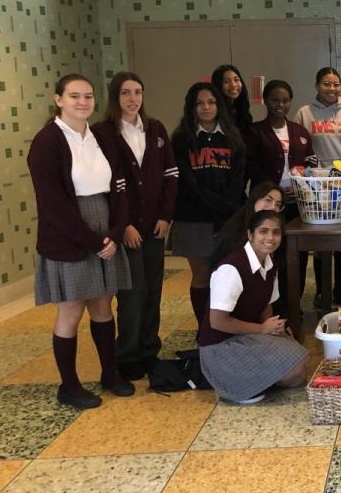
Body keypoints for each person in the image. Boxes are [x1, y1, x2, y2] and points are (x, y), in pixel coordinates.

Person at [28, 73, 134, 409]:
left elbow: (118, 185)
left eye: (88, 96)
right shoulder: (46, 142)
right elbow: (53, 203)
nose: (82, 102)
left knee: (103, 306)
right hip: (70, 235)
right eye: (74, 96)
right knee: (71, 311)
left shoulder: (100, 135)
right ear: (59, 100)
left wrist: (115, 232)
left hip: (105, 226)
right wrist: (93, 240)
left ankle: (110, 373)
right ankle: (69, 386)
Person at [93, 71, 178, 380]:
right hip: (125, 229)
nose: (133, 99)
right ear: (115, 97)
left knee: (153, 290)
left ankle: (148, 350)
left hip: (155, 226)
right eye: (126, 93)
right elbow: (103, 185)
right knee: (132, 293)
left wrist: (166, 217)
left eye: (138, 92)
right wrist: (123, 225)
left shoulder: (155, 129)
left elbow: (171, 177)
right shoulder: (102, 132)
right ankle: (127, 354)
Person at [199, 210, 310, 405]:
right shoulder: (231, 269)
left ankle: (256, 378)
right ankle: (238, 383)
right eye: (263, 231)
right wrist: (261, 329)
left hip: (245, 337)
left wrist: (274, 332)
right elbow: (217, 321)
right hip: (220, 346)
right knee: (296, 367)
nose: (270, 237)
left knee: (298, 363)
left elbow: (266, 305)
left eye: (276, 232)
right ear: (250, 235)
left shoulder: (269, 264)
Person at [171, 82, 246, 333]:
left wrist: (228, 208)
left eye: (211, 102)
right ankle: (205, 329)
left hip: (229, 217)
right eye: (199, 103)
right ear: (191, 107)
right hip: (194, 218)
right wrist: (219, 205)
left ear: (219, 105)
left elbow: (238, 179)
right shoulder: (182, 139)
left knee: (226, 275)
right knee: (202, 277)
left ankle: (226, 326)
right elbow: (188, 182)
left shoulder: (233, 137)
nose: (205, 107)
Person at [243, 79, 316, 315]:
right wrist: (275, 191)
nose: (280, 105)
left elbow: (308, 163)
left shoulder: (300, 131)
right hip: (269, 205)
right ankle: (271, 306)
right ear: (266, 101)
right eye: (275, 99)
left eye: (285, 100)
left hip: (297, 204)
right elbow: (252, 166)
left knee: (297, 256)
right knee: (268, 253)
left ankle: (293, 304)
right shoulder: (255, 132)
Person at [296, 67, 341, 306]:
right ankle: (322, 290)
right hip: (316, 185)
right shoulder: (304, 112)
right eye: (326, 84)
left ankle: (338, 288)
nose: (332, 89)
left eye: (336, 84)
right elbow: (299, 147)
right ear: (317, 85)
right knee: (321, 241)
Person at [211, 64, 252, 135]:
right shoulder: (215, 112)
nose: (233, 85)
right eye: (226, 81)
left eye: (236, 80)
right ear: (218, 85)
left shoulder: (240, 109)